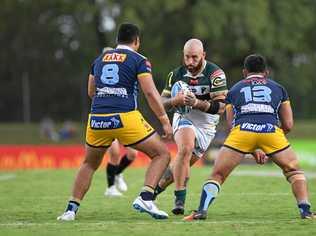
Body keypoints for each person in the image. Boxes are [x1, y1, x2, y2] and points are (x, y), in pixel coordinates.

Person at [57, 23, 172, 221]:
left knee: (89, 164)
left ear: (117, 40)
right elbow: (151, 93)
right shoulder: (139, 60)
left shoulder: (99, 59)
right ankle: (146, 197)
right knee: (161, 154)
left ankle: (70, 210)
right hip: (125, 117)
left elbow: (91, 92)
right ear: (137, 41)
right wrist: (164, 121)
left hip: (97, 119)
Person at [184, 54, 316, 221]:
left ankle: (201, 211)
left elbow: (231, 124)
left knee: (217, 175)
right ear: (266, 72)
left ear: (244, 72)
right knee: (294, 171)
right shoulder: (279, 88)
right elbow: (288, 125)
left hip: (242, 132)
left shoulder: (234, 90)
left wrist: (252, 147)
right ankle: (305, 211)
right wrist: (268, 144)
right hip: (271, 131)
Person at [155, 38, 228, 215]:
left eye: (194, 57)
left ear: (203, 55)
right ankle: (180, 200)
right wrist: (174, 100)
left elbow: (221, 107)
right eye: (187, 57)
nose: (190, 62)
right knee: (185, 148)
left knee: (178, 167)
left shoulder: (215, 74)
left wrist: (196, 103)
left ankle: (151, 192)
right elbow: (160, 103)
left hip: (207, 126)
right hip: (184, 117)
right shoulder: (175, 74)